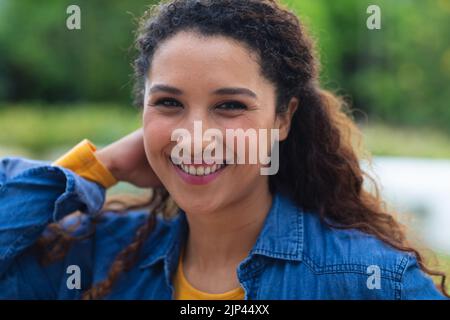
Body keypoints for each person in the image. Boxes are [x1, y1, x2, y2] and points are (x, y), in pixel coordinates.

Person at [0, 0, 447, 299]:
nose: (195, 136)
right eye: (169, 103)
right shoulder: (95, 258)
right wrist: (100, 166)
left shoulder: (371, 281)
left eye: (229, 106)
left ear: (283, 118)